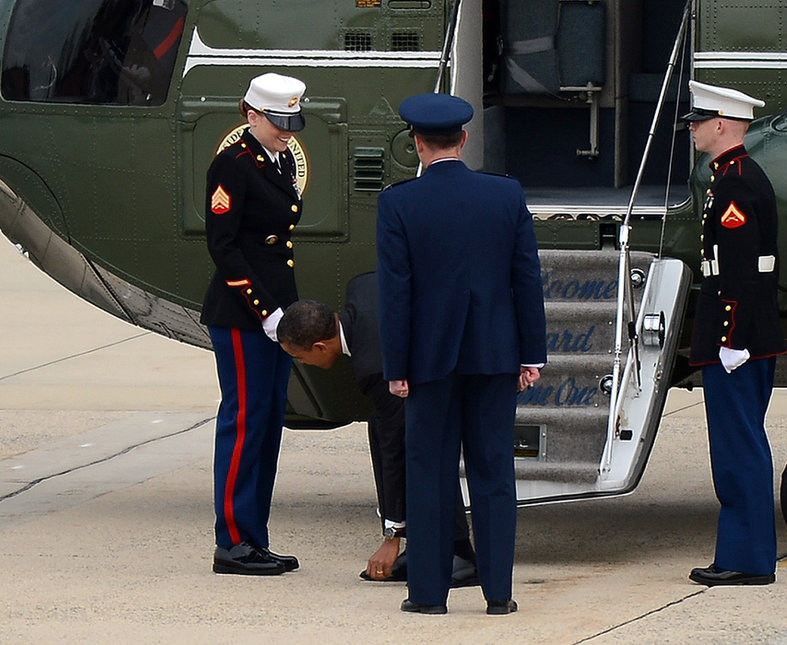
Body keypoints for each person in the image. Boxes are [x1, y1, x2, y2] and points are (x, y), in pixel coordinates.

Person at [376, 93, 547, 615]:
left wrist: (397, 367)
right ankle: (499, 594)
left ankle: (428, 595)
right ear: (465, 140)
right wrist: (531, 355)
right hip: (495, 356)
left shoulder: (399, 202)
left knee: (429, 474)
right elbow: (526, 279)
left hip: (429, 362)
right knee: (495, 474)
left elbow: (396, 292)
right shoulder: (505, 195)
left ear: (417, 144)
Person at [275, 273, 479, 586]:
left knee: (422, 445)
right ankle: (423, 545)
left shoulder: (374, 365)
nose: (301, 363)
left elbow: (395, 449)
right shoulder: (360, 287)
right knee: (381, 426)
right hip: (445, 344)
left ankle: (460, 554)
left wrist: (390, 535)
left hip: (473, 359)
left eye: (299, 357)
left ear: (318, 346)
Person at [200, 72, 307, 576]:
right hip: (244, 317)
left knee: (266, 426)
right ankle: (233, 543)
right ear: (252, 115)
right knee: (244, 424)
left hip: (276, 316)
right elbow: (224, 247)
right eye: (279, 123)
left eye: (292, 122)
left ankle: (254, 537)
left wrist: (284, 315)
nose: (288, 132)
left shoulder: (278, 157)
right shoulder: (233, 165)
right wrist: (266, 313)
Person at [682, 81, 787, 586]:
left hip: (737, 339)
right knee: (737, 446)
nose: (693, 129)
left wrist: (731, 339)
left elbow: (741, 271)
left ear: (721, 124)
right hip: (741, 334)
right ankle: (740, 554)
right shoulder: (730, 176)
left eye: (699, 121)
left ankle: (746, 560)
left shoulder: (736, 182)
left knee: (738, 448)